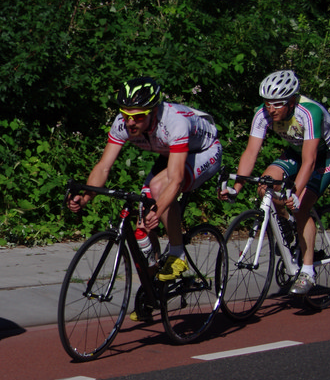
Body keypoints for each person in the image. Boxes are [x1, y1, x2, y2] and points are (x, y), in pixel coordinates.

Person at [67, 76, 223, 285]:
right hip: (170, 154)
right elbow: (103, 166)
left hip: (204, 150)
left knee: (158, 188)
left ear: (154, 111)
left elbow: (175, 180)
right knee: (142, 229)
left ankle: (178, 254)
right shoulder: (122, 123)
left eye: (138, 116)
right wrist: (86, 198)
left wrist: (157, 211)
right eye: (126, 115)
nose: (130, 122)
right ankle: (152, 289)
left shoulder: (174, 123)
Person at [219, 70, 330, 295]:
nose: (271, 109)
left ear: (292, 101)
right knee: (265, 186)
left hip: (325, 156)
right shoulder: (262, 114)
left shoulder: (310, 112)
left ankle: (307, 272)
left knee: (301, 206)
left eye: (278, 104)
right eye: (267, 103)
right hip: (296, 152)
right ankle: (288, 229)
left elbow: (309, 160)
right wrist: (237, 187)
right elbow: (251, 152)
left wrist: (296, 192)